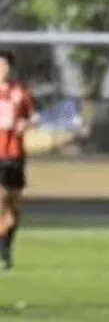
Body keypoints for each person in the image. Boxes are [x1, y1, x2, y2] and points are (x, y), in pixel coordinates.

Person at [0, 50, 36, 271]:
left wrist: (26, 124)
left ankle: (6, 248)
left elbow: (32, 117)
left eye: (4, 66)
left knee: (14, 207)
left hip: (15, 155)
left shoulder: (19, 92)